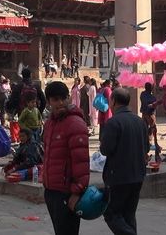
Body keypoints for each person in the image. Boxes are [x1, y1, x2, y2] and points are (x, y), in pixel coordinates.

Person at [42, 81, 90, 235]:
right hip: (52, 190)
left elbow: (81, 162)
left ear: (68, 98)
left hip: (67, 192)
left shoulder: (75, 123)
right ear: (49, 101)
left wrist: (77, 192)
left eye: (63, 98)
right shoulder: (50, 123)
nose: (60, 103)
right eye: (55, 99)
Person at [101, 87, 149, 235]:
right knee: (129, 214)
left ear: (113, 101)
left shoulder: (113, 122)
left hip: (119, 176)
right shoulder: (139, 121)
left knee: (112, 214)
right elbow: (146, 147)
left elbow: (106, 150)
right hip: (138, 175)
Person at [139, 82, 159, 153]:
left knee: (145, 128)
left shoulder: (142, 94)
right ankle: (152, 143)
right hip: (150, 114)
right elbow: (154, 105)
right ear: (150, 88)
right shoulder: (152, 97)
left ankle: (145, 143)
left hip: (144, 113)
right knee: (153, 128)